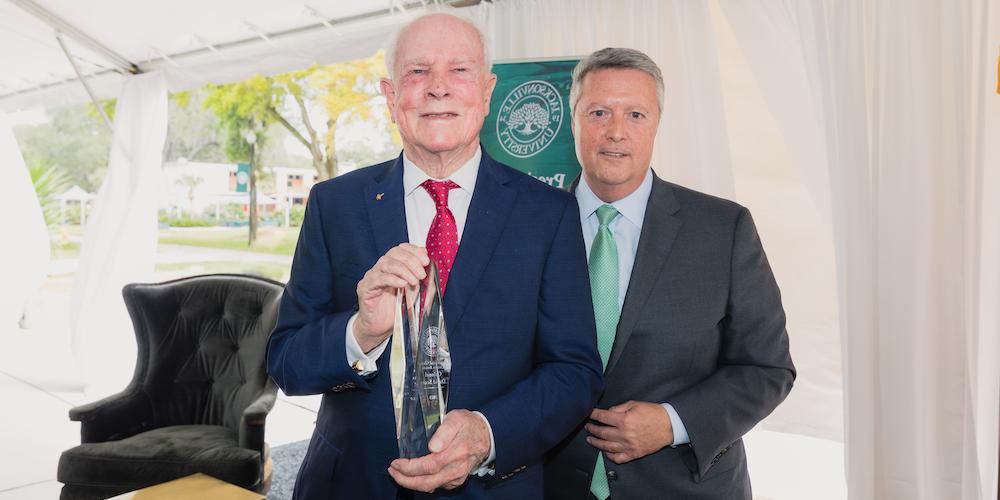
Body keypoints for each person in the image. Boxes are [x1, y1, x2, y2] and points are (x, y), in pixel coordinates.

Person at [266, 12, 603, 499]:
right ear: (389, 96)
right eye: (418, 72)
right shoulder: (333, 204)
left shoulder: (547, 214)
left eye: (459, 70)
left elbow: (575, 373)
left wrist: (487, 433)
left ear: (487, 93)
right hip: (353, 485)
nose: (438, 88)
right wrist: (361, 332)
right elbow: (285, 363)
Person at [545, 47, 796, 500]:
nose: (616, 131)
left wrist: (673, 421)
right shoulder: (530, 226)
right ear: (573, 120)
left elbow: (767, 368)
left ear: (657, 122)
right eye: (598, 112)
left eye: (636, 114)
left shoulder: (724, 229)